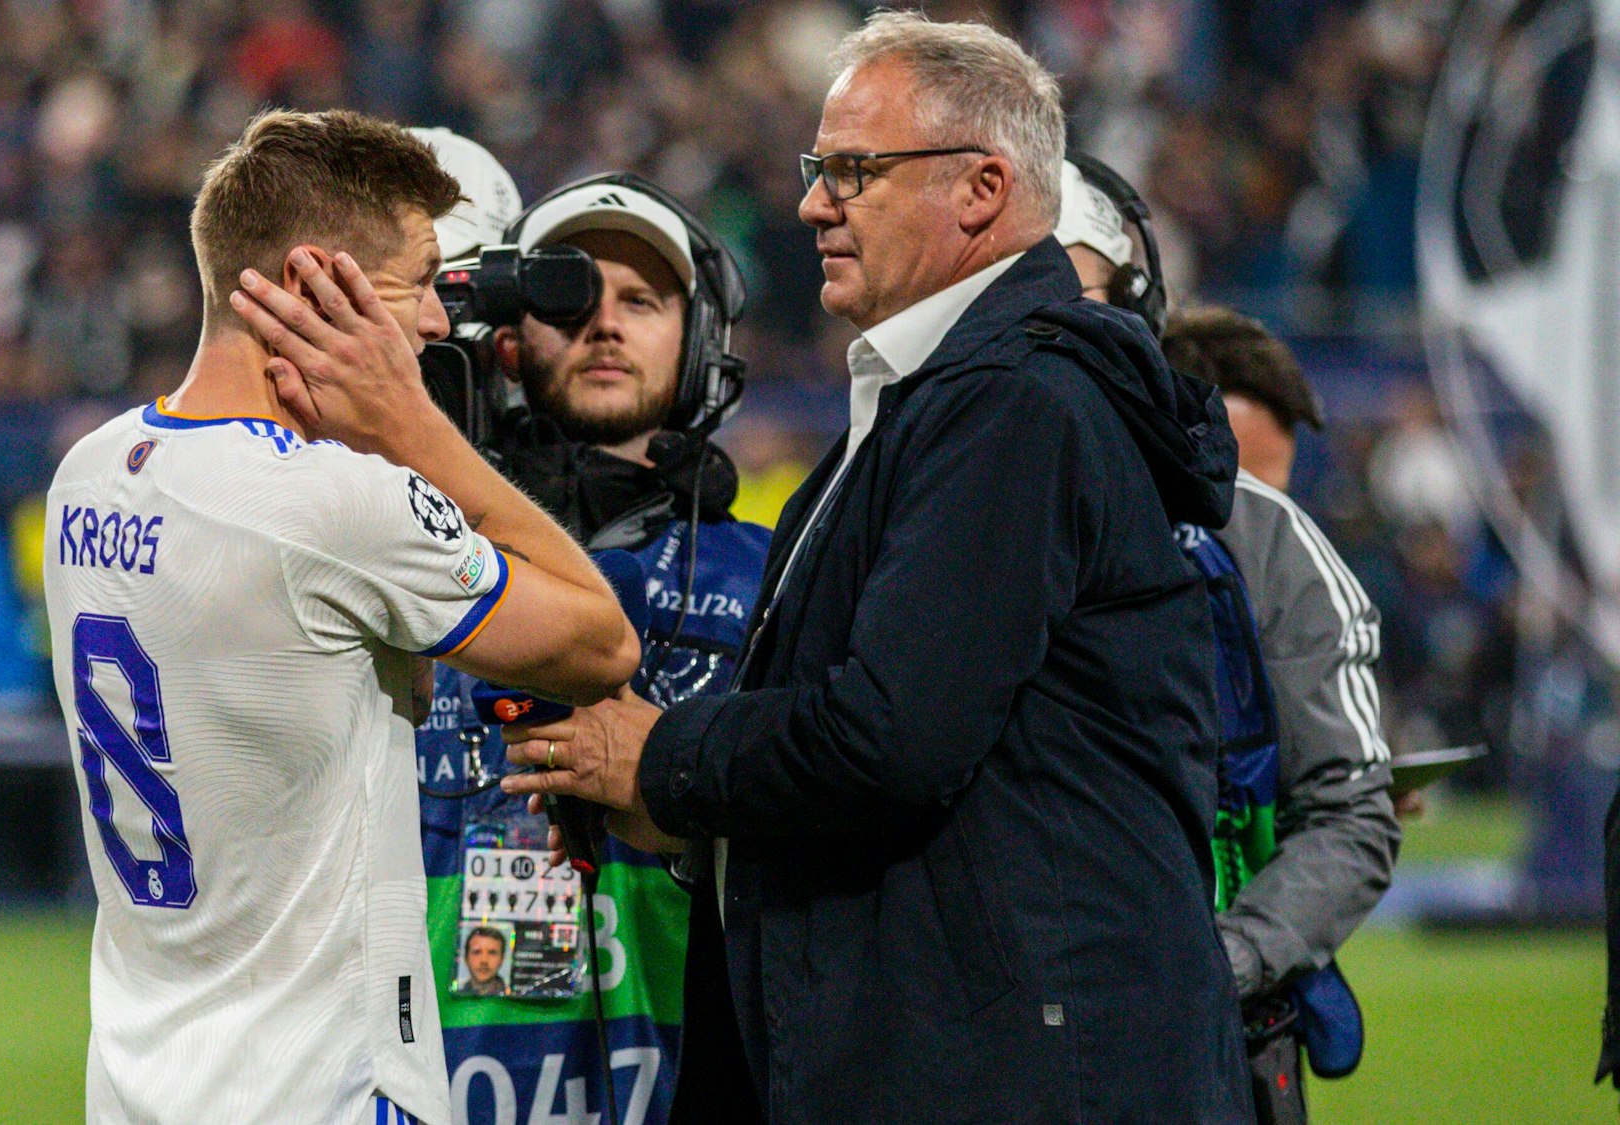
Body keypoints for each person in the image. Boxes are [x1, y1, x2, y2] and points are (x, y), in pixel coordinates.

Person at [495, 14, 1252, 1122]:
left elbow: (887, 736)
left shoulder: (1012, 403)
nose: (810, 203)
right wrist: (690, 808)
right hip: (995, 1046)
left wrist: (661, 760)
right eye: (816, 170)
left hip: (1015, 1073)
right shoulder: (948, 398)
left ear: (980, 190)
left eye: (851, 170)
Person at [43, 108, 637, 1125]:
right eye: (412, 284)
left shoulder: (87, 476)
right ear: (317, 284)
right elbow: (597, 642)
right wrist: (416, 432)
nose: (435, 325)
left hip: (137, 1086)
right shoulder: (331, 506)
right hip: (322, 1094)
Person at [415, 171, 772, 1124]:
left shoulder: (781, 579)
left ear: (700, 344)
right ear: (506, 342)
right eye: (567, 297)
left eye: (643, 300)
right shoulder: (410, 557)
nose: (604, 323)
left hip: (703, 1078)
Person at [1061, 165, 1399, 1119]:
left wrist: (1220, 962)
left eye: (1066, 290)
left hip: (1216, 1052)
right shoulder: (924, 520)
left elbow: (1351, 810)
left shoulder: (1268, 542)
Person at [461, 927, 509, 997]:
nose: (484, 960)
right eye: (477, 952)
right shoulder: (454, 1001)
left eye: (492, 953)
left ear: (502, 959)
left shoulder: (514, 1003)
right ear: (466, 958)